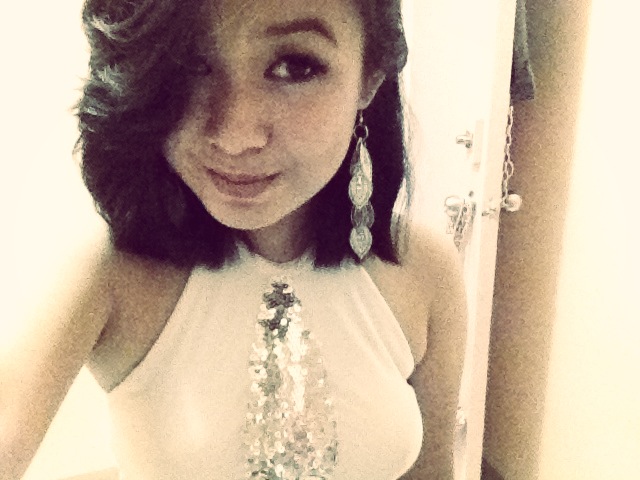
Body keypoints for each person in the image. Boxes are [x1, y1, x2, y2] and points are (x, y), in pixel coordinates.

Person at [0, 0, 467, 478]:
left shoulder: (424, 269)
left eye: (295, 66)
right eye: (189, 62)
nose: (235, 136)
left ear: (370, 77)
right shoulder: (112, 273)